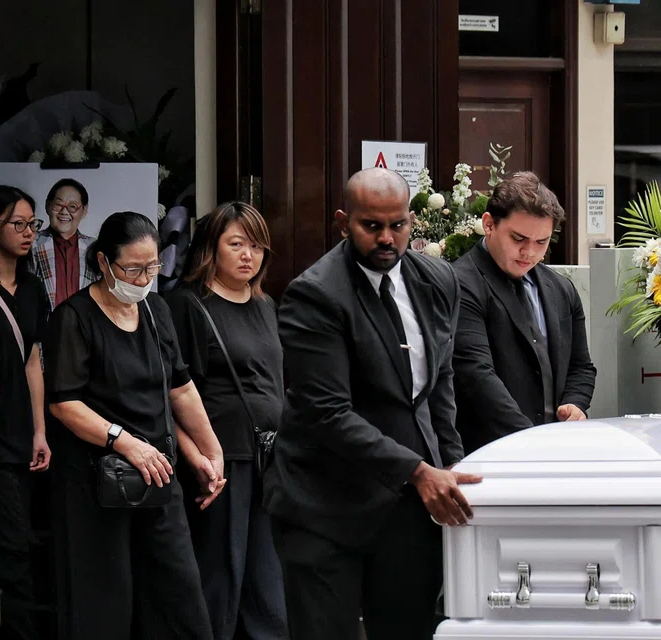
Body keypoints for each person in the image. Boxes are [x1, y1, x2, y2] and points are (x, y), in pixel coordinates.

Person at [263, 168, 482, 640]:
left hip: (405, 509)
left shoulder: (438, 279)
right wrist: (421, 472)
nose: (387, 238)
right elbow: (328, 413)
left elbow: (440, 385)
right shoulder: (315, 294)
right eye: (371, 226)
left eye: (397, 225)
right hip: (324, 506)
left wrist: (452, 464)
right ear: (343, 222)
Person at [45, 211, 227, 639]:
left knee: (179, 597)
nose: (144, 278)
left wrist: (209, 450)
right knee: (105, 603)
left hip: (158, 477)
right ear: (104, 263)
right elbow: (64, 402)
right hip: (98, 483)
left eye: (152, 267)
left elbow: (181, 389)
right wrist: (123, 441)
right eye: (133, 269)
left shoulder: (157, 310)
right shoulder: (74, 317)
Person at [167, 202, 289, 640]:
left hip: (269, 460)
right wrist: (195, 455)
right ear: (210, 249)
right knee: (219, 577)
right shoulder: (186, 306)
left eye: (256, 246)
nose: (248, 256)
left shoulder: (266, 305)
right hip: (219, 463)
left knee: (267, 579)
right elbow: (171, 393)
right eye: (236, 244)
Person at [452, 171, 597, 453]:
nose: (529, 252)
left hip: (554, 446)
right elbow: (475, 376)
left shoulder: (561, 288)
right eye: (518, 238)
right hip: (486, 451)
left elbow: (581, 367)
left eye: (541, 242)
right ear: (489, 224)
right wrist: (530, 441)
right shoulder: (460, 283)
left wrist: (575, 404)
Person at [0, 185, 52, 639]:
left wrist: (40, 430)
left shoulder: (34, 288)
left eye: (32, 225)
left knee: (12, 543)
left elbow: (34, 359)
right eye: (17, 224)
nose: (27, 232)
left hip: (20, 430)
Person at [30, 178, 99, 310]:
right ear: (48, 206)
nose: (64, 212)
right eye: (58, 205)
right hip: (44, 327)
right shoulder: (31, 243)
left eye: (72, 206)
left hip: (83, 327)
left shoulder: (94, 248)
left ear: (84, 210)